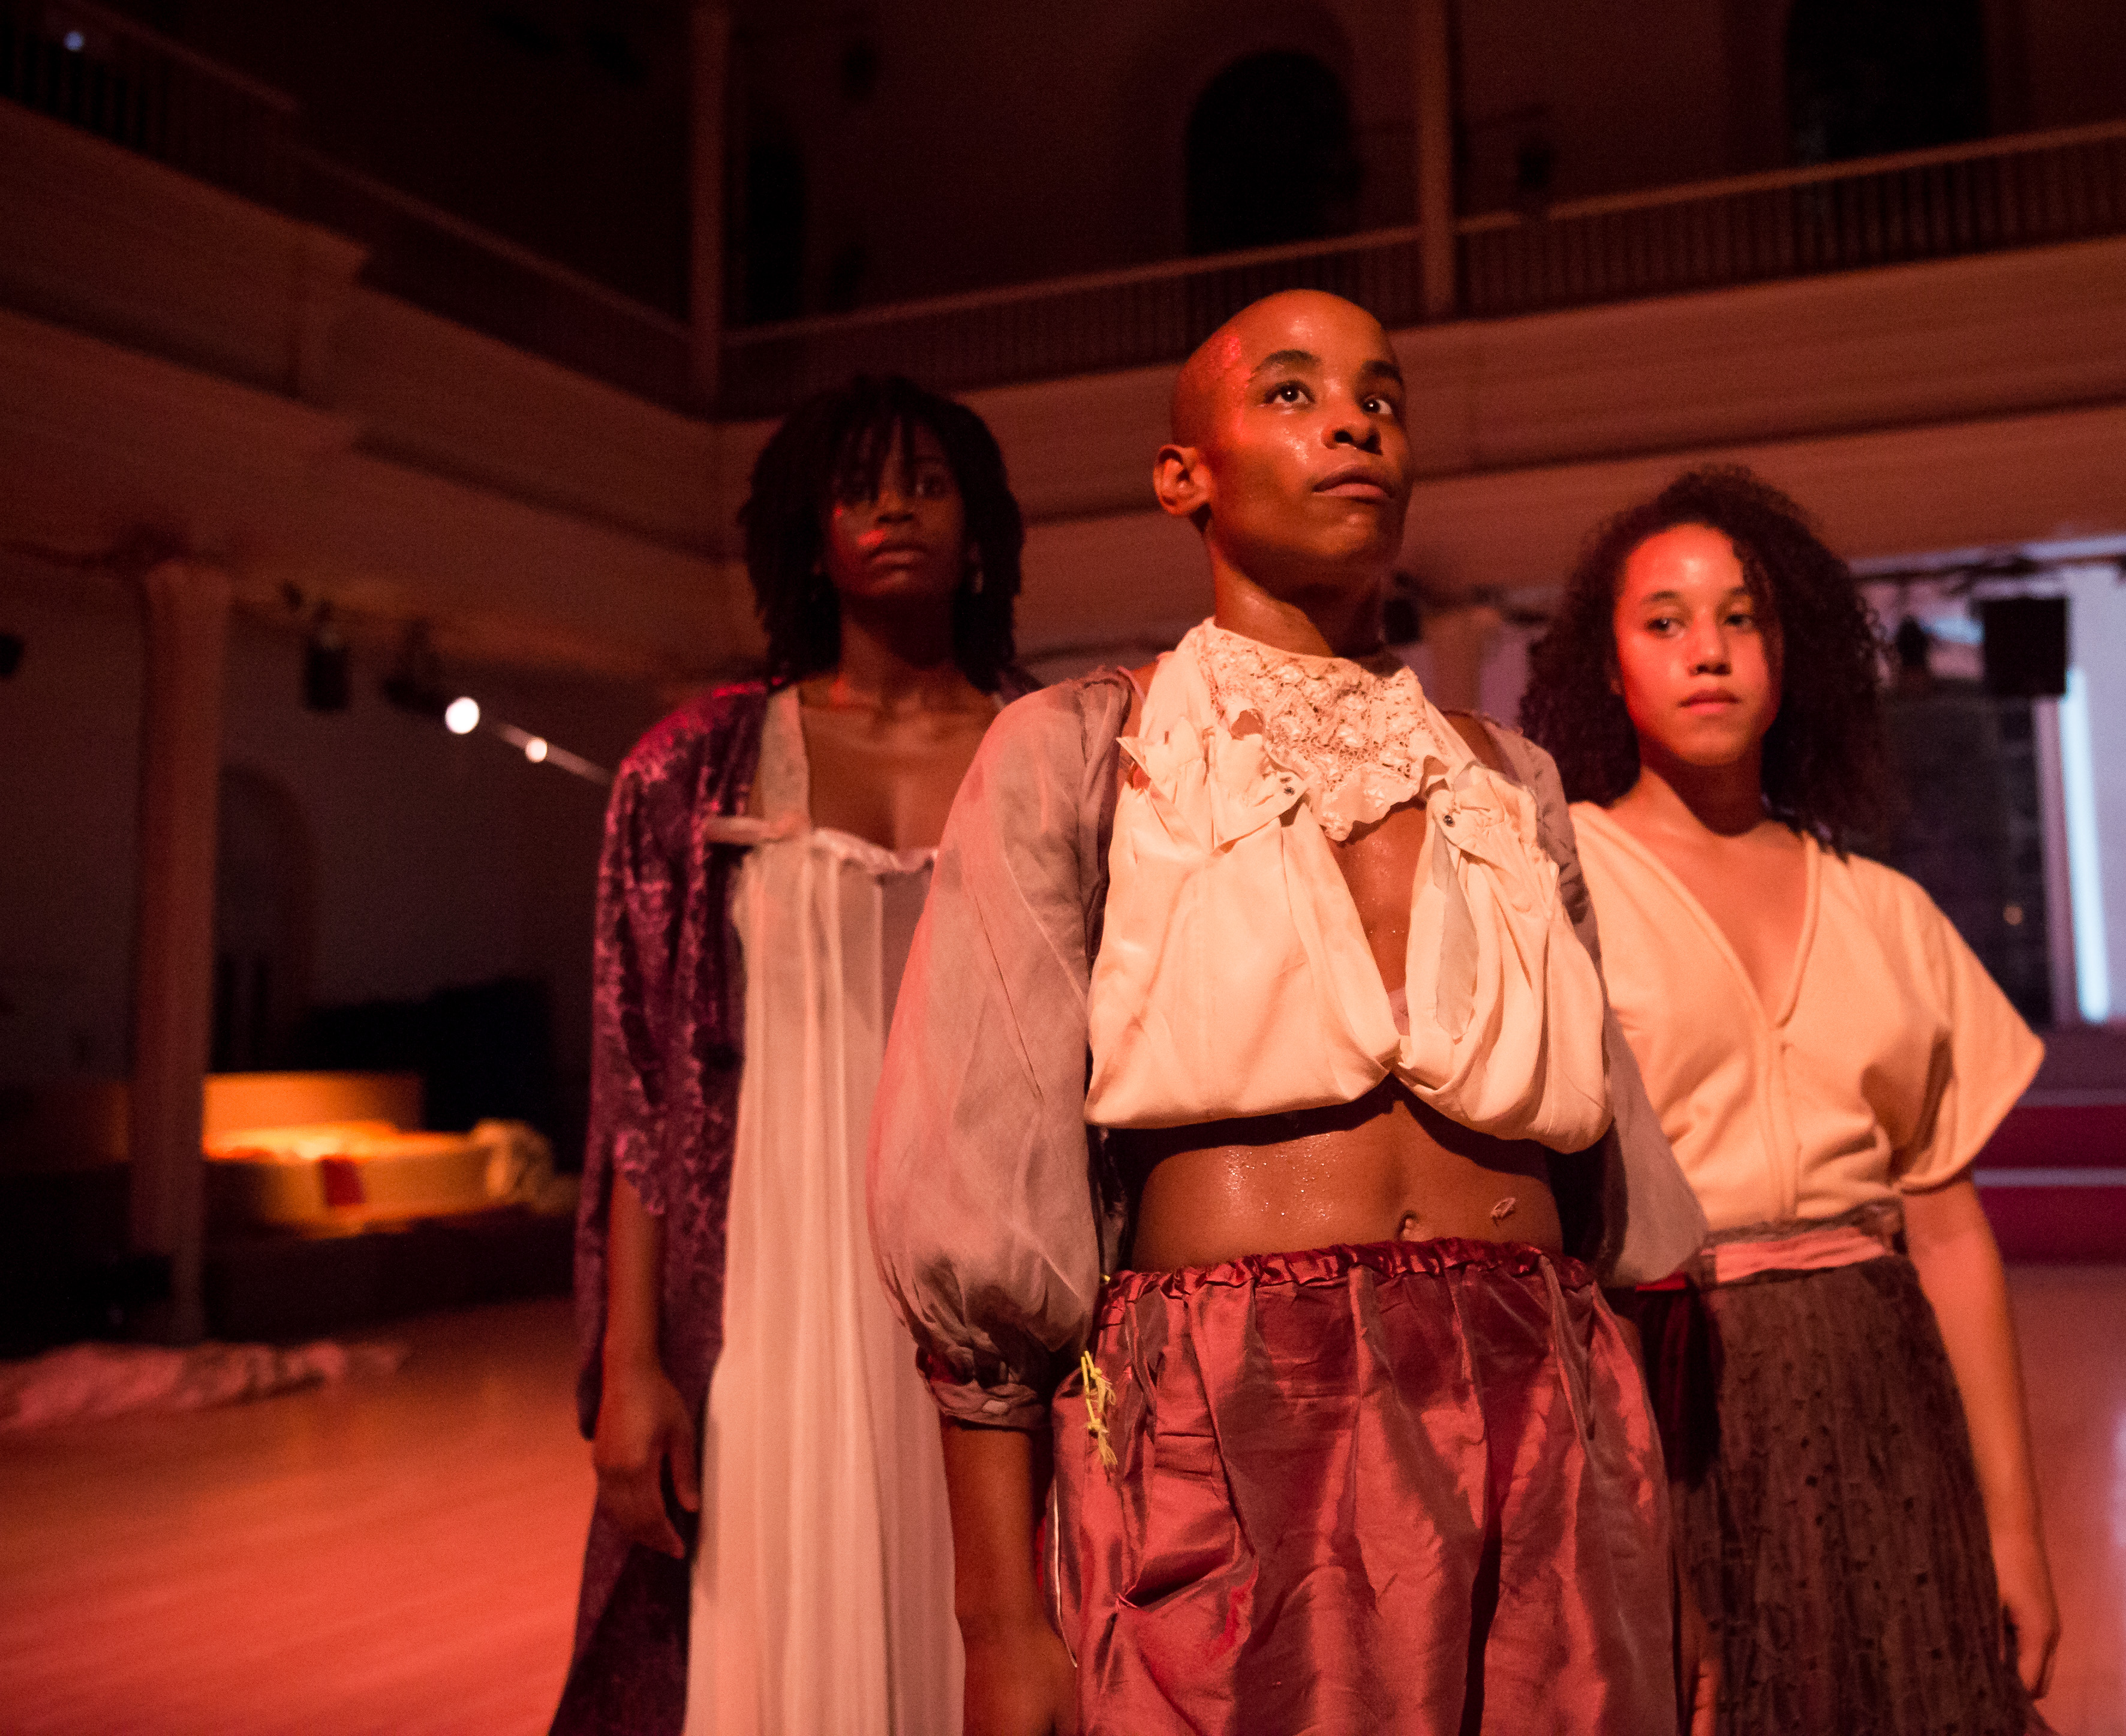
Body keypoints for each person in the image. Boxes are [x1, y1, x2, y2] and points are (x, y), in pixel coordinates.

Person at [869, 290, 1707, 1736]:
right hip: (1235, 1421)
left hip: (1544, 1406)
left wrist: (1668, 1550)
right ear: (1181, 473)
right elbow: (986, 1203)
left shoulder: (1513, 782)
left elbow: (1620, 1192)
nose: (1352, 424)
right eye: (1295, 394)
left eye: (1382, 399)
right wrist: (999, 1621)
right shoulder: (1084, 751)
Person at [1519, 467, 2061, 1736]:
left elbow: (1951, 1232)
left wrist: (2017, 1530)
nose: (1707, 650)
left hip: (1881, 1379)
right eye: (1663, 620)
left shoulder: (1887, 911)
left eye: (1741, 615)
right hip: (1668, 1391)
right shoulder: (1560, 886)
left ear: (1789, 645)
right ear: (1608, 664)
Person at [552, 375, 1031, 1735]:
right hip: (772, 1289)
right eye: (857, 485)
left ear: (979, 523)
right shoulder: (693, 770)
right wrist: (636, 1363)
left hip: (997, 1280)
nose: (892, 506)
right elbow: (641, 1090)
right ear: (805, 533)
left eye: (927, 481)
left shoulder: (1054, 750)